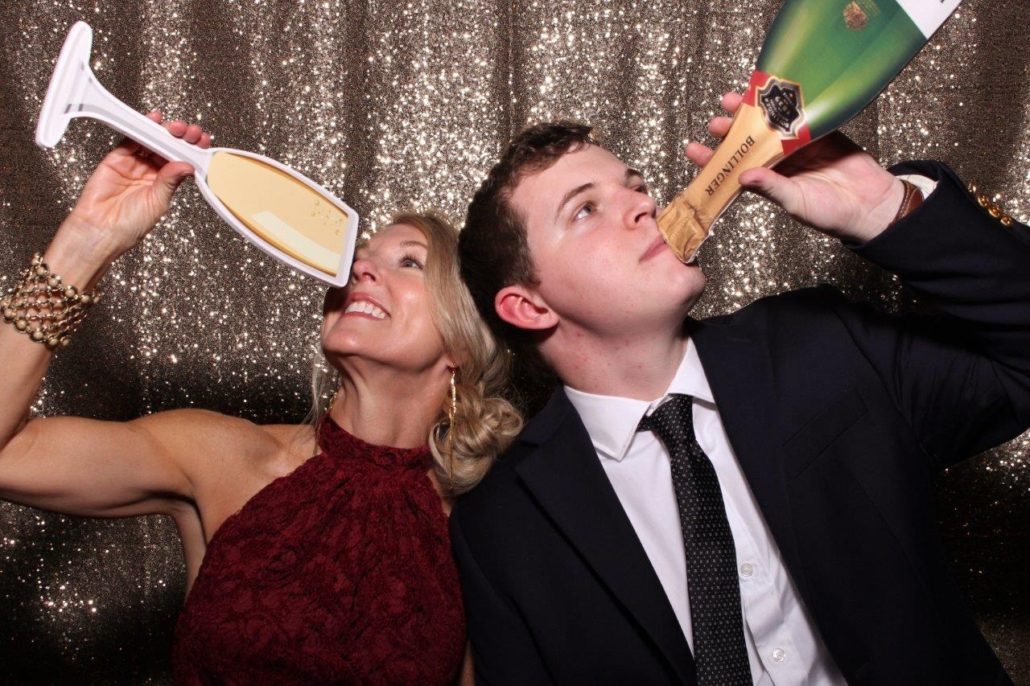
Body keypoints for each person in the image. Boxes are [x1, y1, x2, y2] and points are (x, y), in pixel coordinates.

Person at [452, 91, 1029, 685]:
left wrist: (885, 208)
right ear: (529, 306)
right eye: (585, 210)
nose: (644, 205)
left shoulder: (821, 343)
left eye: (635, 186)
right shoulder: (502, 526)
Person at [0, 112, 522, 684]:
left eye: (409, 262)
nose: (361, 269)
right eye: (361, 256)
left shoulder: (482, 529)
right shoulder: (224, 456)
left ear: (461, 345)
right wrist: (85, 242)